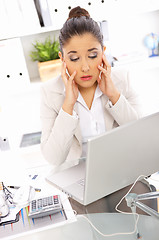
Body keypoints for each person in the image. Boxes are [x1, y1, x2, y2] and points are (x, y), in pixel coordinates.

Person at [40, 6, 142, 172]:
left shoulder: (122, 80)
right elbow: (54, 158)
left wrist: (114, 96)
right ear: (62, 58)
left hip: (123, 171)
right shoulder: (50, 92)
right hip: (79, 178)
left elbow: (141, 137)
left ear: (103, 52)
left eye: (93, 55)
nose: (85, 67)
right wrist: (68, 105)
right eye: (74, 58)